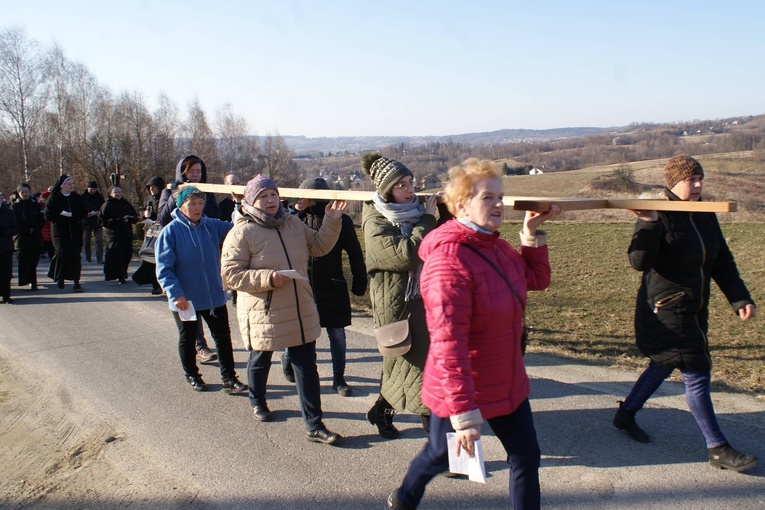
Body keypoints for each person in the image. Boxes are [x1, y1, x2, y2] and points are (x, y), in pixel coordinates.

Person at [387, 158, 560, 510]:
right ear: (462, 205)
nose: (498, 204)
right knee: (440, 456)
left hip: (506, 380)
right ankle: (405, 497)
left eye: (500, 196)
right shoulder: (448, 262)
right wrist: (465, 417)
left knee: (526, 457)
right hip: (460, 387)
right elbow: (449, 345)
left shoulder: (496, 247)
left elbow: (536, 280)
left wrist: (530, 233)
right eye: (487, 197)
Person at [613, 155, 758, 472]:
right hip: (665, 307)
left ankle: (626, 414)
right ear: (673, 182)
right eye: (691, 180)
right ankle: (717, 447)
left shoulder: (704, 213)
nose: (698, 185)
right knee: (696, 370)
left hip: (695, 306)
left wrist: (739, 297)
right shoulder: (659, 212)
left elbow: (721, 260)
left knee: (665, 362)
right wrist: (647, 223)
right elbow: (639, 261)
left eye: (700, 179)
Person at [220, 175, 345, 445]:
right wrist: (268, 278)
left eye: (273, 195)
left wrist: (332, 219)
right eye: (263, 196)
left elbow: (319, 246)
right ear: (251, 201)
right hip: (264, 310)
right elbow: (230, 274)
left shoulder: (293, 223)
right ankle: (258, 400)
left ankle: (314, 425)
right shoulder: (242, 232)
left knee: (307, 367)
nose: (270, 201)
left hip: (299, 309)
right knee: (260, 360)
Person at [361, 152, 438, 439]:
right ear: (386, 191)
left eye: (411, 182)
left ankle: (381, 411)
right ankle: (436, 444)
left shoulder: (418, 214)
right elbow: (407, 254)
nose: (410, 190)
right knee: (407, 364)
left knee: (415, 367)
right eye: (401, 185)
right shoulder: (375, 222)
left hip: (423, 300)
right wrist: (429, 218)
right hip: (396, 305)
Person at [155, 186, 247, 395]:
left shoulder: (211, 226)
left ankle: (229, 378)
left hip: (213, 295)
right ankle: (192, 375)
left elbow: (236, 227)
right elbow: (164, 268)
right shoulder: (171, 232)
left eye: (200, 203)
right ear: (181, 206)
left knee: (223, 337)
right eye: (192, 204)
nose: (197, 208)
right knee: (188, 338)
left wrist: (239, 205)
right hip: (186, 299)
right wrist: (175, 293)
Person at [281, 177, 368, 396]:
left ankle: (339, 379)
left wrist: (359, 281)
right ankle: (287, 358)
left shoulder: (342, 221)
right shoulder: (296, 220)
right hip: (303, 286)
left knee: (337, 334)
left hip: (332, 284)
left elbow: (355, 253)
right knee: (298, 331)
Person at [158, 155, 221, 364]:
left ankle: (208, 350)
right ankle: (199, 346)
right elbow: (163, 217)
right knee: (187, 306)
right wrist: (176, 193)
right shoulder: (170, 190)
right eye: (191, 171)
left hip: (202, 248)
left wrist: (201, 201)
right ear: (182, 172)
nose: (195, 175)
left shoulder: (207, 191)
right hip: (178, 249)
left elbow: (214, 215)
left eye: (198, 172)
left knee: (204, 300)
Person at [46, 175, 87, 292]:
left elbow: (83, 212)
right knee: (63, 254)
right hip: (60, 232)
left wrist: (73, 215)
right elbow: (48, 215)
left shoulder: (76, 197)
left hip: (75, 231)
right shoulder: (54, 197)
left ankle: (76, 282)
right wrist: (61, 216)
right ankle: (61, 277)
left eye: (72, 184)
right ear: (62, 185)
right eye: (69, 184)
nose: (71, 186)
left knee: (75, 256)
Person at [132, 176, 165, 295]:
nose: (151, 190)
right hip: (151, 234)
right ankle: (155, 285)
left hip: (162, 232)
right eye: (150, 188)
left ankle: (162, 284)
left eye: (154, 188)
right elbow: (142, 211)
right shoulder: (149, 200)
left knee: (160, 260)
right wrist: (144, 214)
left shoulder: (164, 199)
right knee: (150, 259)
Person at [99, 186, 138, 284]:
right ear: (111, 194)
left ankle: (123, 271)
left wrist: (131, 219)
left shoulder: (126, 204)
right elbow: (102, 221)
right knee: (117, 256)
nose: (118, 194)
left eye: (120, 191)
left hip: (126, 233)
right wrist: (117, 220)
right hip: (114, 235)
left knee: (127, 254)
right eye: (116, 192)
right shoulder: (107, 205)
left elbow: (135, 216)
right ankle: (119, 275)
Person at [12, 183, 45, 291]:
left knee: (34, 260)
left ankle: (32, 281)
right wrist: (26, 230)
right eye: (22, 192)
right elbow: (14, 222)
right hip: (21, 238)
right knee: (23, 260)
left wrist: (35, 229)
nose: (25, 194)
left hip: (35, 236)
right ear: (18, 193)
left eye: (26, 192)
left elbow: (42, 219)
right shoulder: (14, 206)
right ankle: (27, 280)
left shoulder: (35, 204)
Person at [0, 197, 20, 303]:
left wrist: (5, 232)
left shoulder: (8, 212)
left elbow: (16, 228)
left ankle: (6, 295)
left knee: (6, 273)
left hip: (5, 247)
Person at [81, 180, 105, 263]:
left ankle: (100, 258)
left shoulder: (99, 197)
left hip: (97, 221)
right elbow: (79, 209)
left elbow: (103, 207)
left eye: (94, 189)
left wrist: (99, 212)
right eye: (91, 189)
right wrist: (86, 214)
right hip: (86, 221)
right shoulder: (82, 197)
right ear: (87, 188)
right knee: (86, 240)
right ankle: (88, 256)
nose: (92, 191)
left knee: (99, 239)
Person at [39, 191, 54, 260]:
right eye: (41, 198)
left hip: (51, 227)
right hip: (44, 228)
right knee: (47, 243)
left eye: (44, 198)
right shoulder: (39, 206)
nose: (42, 199)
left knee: (52, 243)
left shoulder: (52, 206)